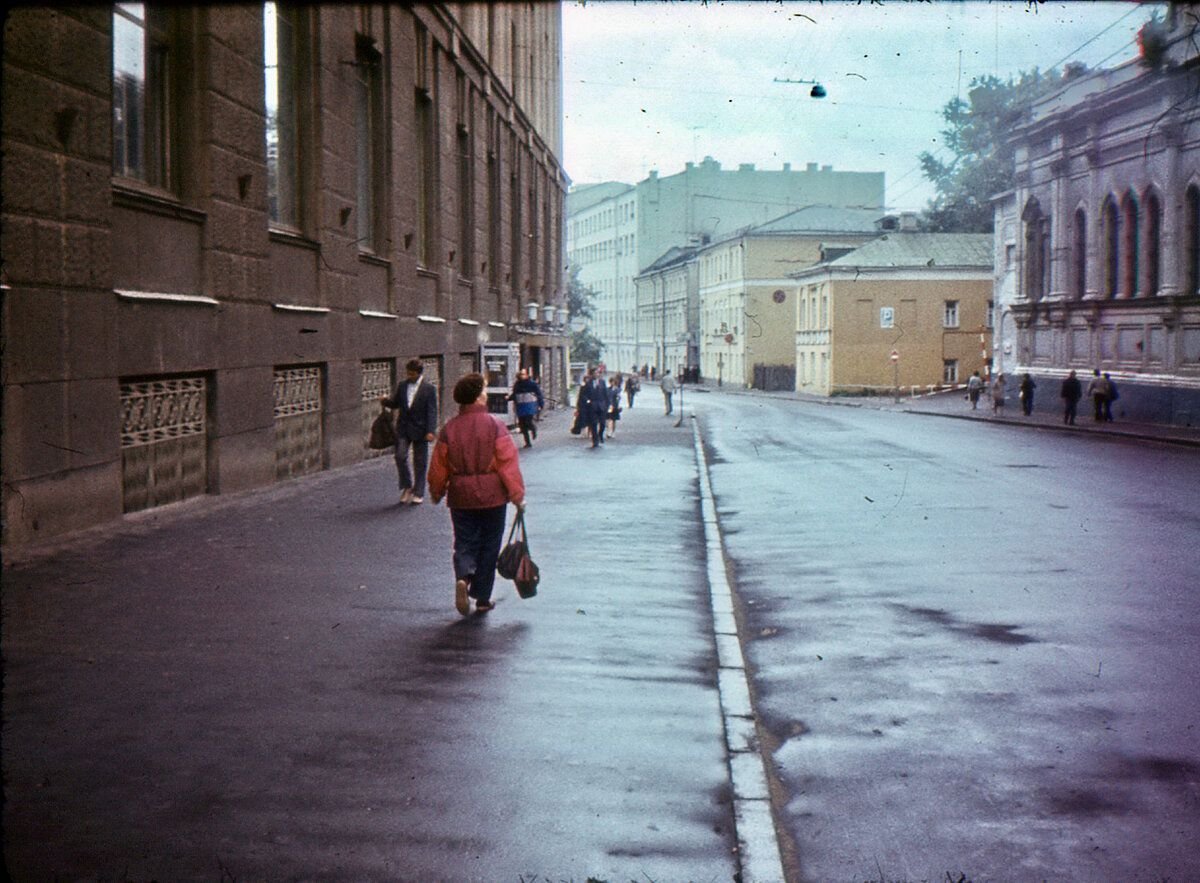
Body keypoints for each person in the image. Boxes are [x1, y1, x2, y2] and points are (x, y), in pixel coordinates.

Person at [427, 373, 526, 616]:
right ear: (476, 396)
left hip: (461, 496)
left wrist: (436, 491)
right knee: (490, 544)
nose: (485, 393)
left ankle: (463, 577)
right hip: (493, 496)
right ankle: (482, 597)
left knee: (464, 540)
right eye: (483, 389)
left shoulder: (449, 429)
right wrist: (517, 496)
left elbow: (439, 465)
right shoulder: (495, 426)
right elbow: (507, 463)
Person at [380, 358, 438, 505]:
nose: (409, 376)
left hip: (421, 429)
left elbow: (432, 411)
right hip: (403, 428)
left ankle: (418, 492)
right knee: (400, 456)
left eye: (412, 374)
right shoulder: (402, 386)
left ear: (419, 373)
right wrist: (385, 401)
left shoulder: (429, 389)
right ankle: (407, 486)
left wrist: (431, 430)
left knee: (420, 461)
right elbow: (396, 403)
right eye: (408, 373)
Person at [507, 368, 544, 448]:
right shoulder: (517, 385)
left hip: (529, 406)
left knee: (528, 421)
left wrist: (541, 404)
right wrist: (509, 398)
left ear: (527, 375)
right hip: (520, 406)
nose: (522, 376)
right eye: (521, 374)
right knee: (522, 425)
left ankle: (533, 428)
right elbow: (515, 394)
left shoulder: (532, 384)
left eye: (523, 374)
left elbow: (539, 394)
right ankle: (527, 442)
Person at [576, 368, 608, 447]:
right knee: (593, 424)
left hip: (601, 406)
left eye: (598, 373)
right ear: (591, 374)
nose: (597, 374)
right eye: (595, 373)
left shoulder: (602, 382)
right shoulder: (588, 383)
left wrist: (606, 404)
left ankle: (600, 434)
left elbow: (606, 394)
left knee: (603, 423)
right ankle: (595, 440)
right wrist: (588, 401)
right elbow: (583, 394)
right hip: (592, 406)